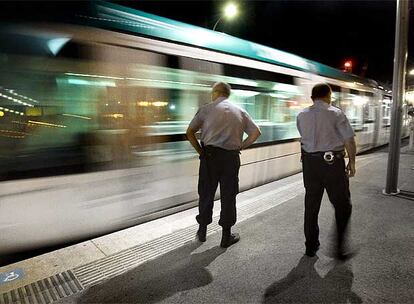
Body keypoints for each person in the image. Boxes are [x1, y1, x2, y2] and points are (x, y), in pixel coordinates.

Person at [186, 82, 261, 248]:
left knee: (206, 193)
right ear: (228, 94)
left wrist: (200, 152)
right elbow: (256, 132)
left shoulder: (206, 109)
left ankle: (202, 231)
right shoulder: (240, 111)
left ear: (215, 93)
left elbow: (189, 132)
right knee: (228, 196)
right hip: (230, 159)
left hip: (209, 158)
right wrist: (241, 146)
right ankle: (226, 236)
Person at [296, 83, 356, 260]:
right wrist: (352, 162)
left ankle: (310, 247)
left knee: (311, 205)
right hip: (332, 164)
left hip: (309, 164)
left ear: (312, 98)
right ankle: (339, 249)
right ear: (329, 96)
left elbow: (303, 138)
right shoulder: (336, 113)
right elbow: (349, 141)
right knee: (343, 205)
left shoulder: (301, 115)